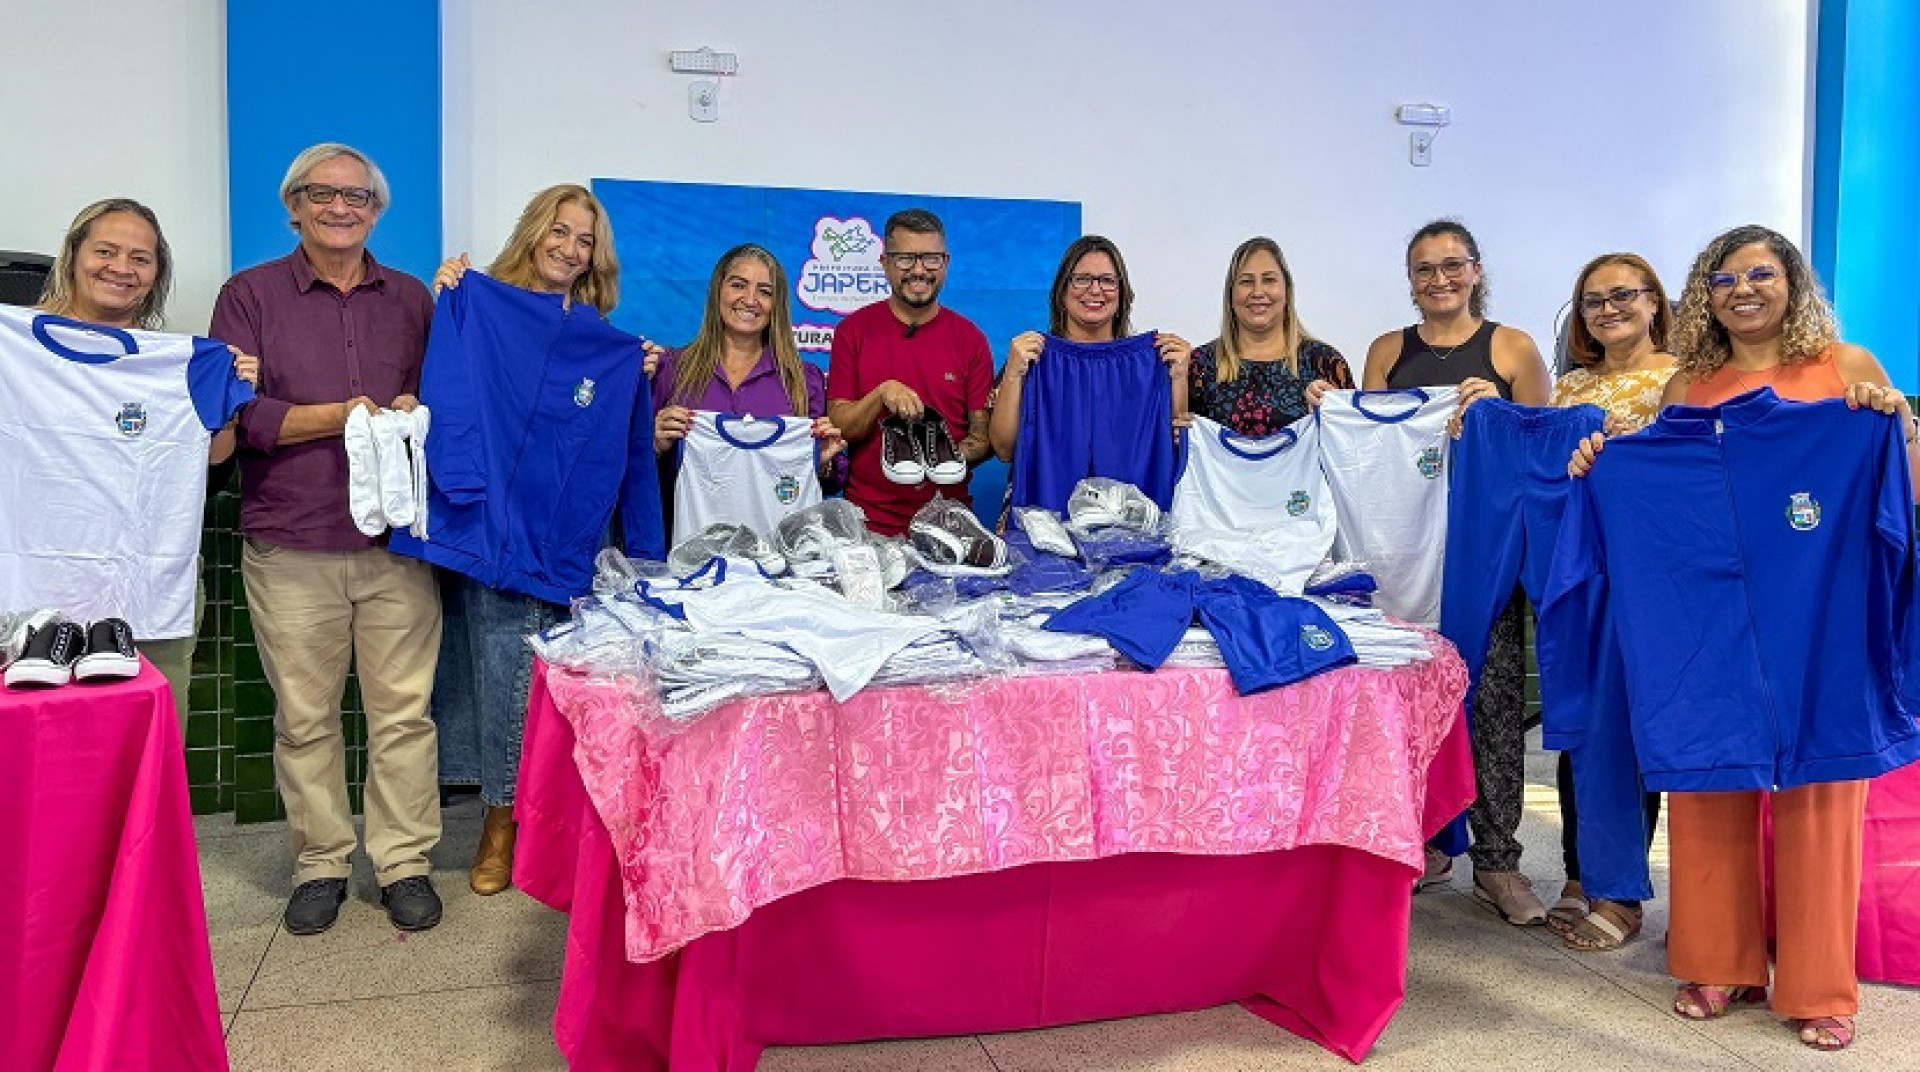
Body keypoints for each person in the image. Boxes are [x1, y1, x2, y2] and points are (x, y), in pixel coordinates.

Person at [1570, 224, 1915, 1051]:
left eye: (1761, 274)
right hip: (1707, 613)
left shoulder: (1847, 367)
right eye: (1723, 280)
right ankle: (1717, 961)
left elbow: (1900, 494)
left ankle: (1819, 983)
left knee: (1822, 794)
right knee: (1707, 777)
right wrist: (1600, 462)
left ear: (1791, 282)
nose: (1743, 290)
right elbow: (1655, 483)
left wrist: (1897, 422)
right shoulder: (1689, 386)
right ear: (1705, 296)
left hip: (1822, 609)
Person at [212, 143, 444, 936]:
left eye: (357, 197)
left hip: (397, 549)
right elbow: (245, 417)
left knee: (404, 715)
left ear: (377, 210)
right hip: (292, 541)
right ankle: (320, 865)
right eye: (322, 194)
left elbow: (444, 400)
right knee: (304, 717)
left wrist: (412, 403)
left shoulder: (413, 299)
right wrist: (351, 413)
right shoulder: (248, 295)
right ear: (294, 205)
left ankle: (405, 862)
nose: (340, 208)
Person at [427, 183, 650, 896]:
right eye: (560, 232)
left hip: (560, 537)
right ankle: (499, 820)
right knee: (494, 676)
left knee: (541, 685)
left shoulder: (606, 345)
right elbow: (444, 393)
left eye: (585, 241)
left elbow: (633, 454)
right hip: (484, 520)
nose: (570, 248)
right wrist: (458, 486)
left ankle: (528, 821)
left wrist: (643, 544)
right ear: (533, 232)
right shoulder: (475, 301)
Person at [1363, 219, 1552, 922]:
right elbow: (1372, 452)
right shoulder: (1387, 350)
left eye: (1452, 265)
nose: (1439, 279)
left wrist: (1498, 414)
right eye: (1423, 269)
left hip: (1487, 550)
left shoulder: (1512, 348)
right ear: (1409, 280)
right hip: (1404, 552)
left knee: (1493, 704)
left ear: (1476, 270)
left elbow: (1545, 453)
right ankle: (1423, 845)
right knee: (1406, 706)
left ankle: (1499, 863)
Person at [33, 197, 257, 722]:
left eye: (141, 258)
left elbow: (208, 469)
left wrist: (227, 403)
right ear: (72, 256)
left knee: (143, 737)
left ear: (156, 274)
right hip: (32, 581)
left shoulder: (170, 363)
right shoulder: (16, 349)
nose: (121, 268)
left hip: (148, 584)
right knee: (37, 739)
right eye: (106, 251)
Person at [1541, 252, 1677, 952]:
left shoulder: (1684, 380)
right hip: (1580, 569)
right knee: (1576, 718)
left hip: (1653, 572)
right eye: (1592, 299)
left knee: (1629, 725)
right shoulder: (1569, 387)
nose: (1607, 308)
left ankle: (1621, 891)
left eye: (1623, 294)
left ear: (1655, 302)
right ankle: (1580, 871)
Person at [826, 209, 994, 536]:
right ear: (885, 263)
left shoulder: (970, 339)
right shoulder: (853, 332)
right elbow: (839, 426)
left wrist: (941, 458)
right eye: (905, 259)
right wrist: (880, 394)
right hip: (868, 523)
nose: (919, 271)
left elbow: (983, 437)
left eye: (930, 259)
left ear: (945, 262)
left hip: (950, 524)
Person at [653, 243, 844, 484]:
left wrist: (823, 462)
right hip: (684, 521)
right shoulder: (670, 369)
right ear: (717, 291)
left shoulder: (803, 381)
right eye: (738, 285)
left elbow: (830, 482)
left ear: (777, 305)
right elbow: (631, 469)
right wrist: (654, 445)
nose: (750, 300)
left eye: (765, 291)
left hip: (775, 521)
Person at [989, 234, 1192, 461]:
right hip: (1045, 495)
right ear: (1062, 291)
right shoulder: (1030, 358)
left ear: (1122, 294)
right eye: (1082, 279)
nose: (1095, 290)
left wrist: (1179, 379)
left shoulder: (1153, 363)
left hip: (1126, 496)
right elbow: (1004, 450)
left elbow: (1174, 449)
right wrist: (1013, 375)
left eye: (1107, 280)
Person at [1187, 236, 1351, 435]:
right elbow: (1177, 448)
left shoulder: (1325, 363)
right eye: (1246, 281)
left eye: (1269, 280)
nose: (1257, 291)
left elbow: (1354, 447)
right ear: (1230, 295)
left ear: (1287, 292)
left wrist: (1331, 416)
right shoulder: (1198, 366)